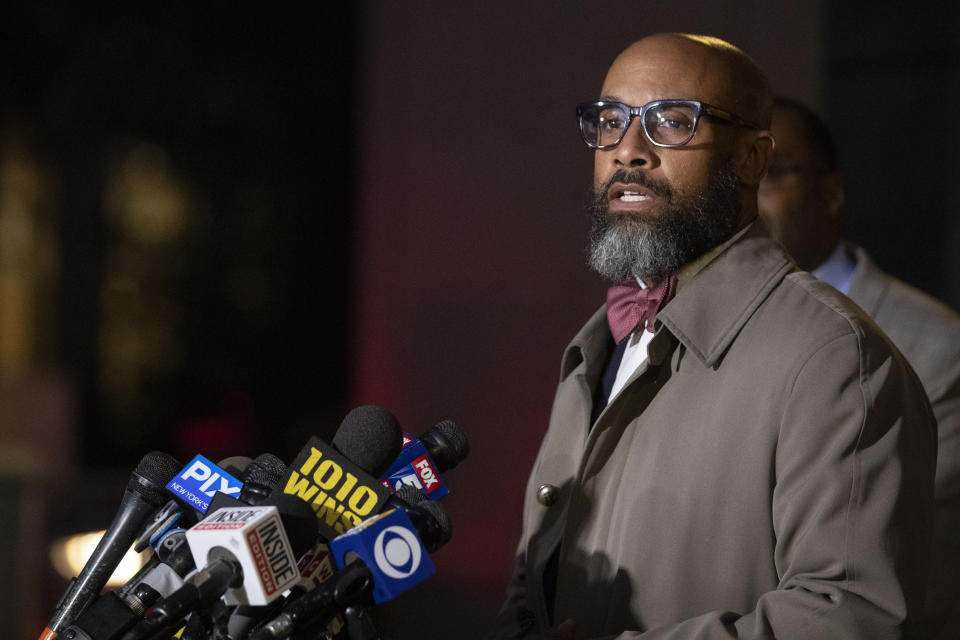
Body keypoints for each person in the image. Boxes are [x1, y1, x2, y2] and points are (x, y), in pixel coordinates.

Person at [492, 33, 936, 639]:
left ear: (753, 159)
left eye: (670, 122)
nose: (629, 151)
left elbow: (851, 618)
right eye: (611, 121)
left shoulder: (836, 358)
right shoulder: (596, 345)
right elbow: (535, 583)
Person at [758, 98, 960, 640]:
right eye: (734, 176)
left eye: (770, 173)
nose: (746, 199)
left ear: (831, 192)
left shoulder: (936, 347)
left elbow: (903, 566)